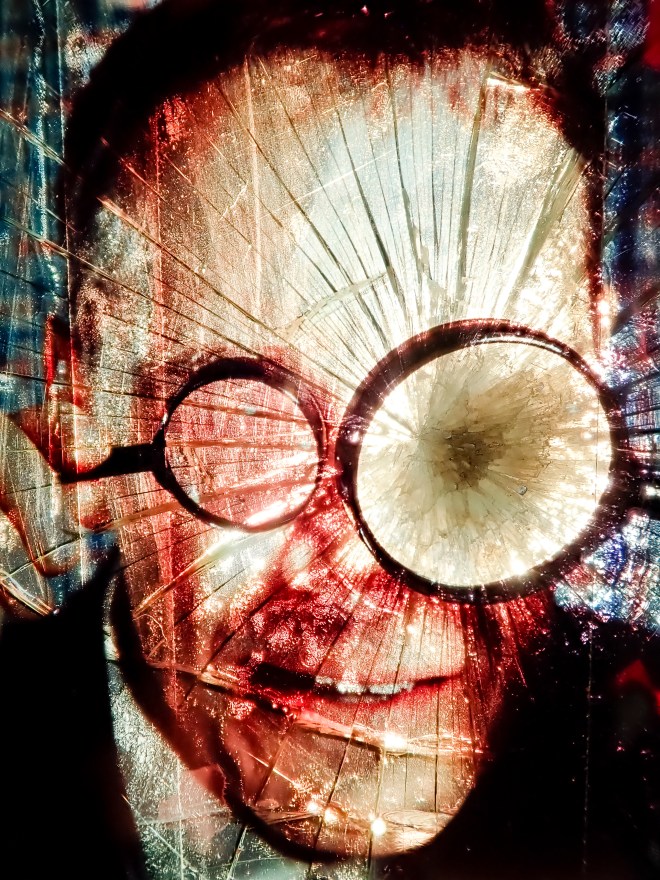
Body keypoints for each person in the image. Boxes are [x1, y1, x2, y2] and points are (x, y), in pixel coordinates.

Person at [1, 1, 659, 877]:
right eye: (249, 425)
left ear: (594, 359)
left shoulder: (632, 779)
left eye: (478, 424)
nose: (366, 577)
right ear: (81, 400)